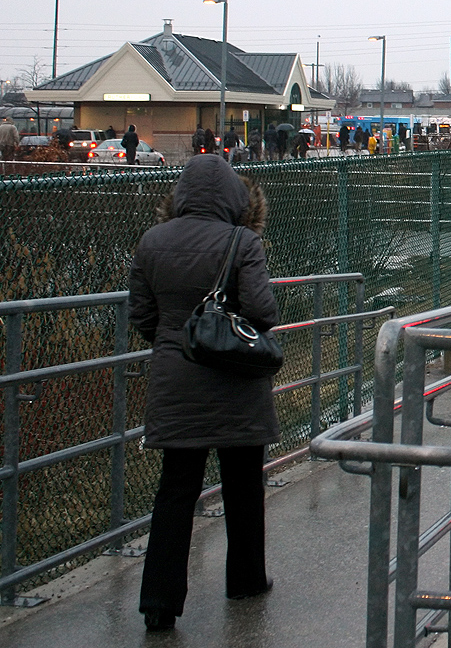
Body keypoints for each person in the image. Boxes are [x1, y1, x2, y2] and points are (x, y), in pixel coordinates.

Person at [129, 155, 278, 631]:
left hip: (177, 381)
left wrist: (177, 341)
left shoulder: (153, 241)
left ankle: (159, 602)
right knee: (243, 486)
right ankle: (246, 579)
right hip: (237, 383)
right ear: (235, 197)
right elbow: (262, 309)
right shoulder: (243, 241)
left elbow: (142, 316)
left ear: (182, 194)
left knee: (175, 491)